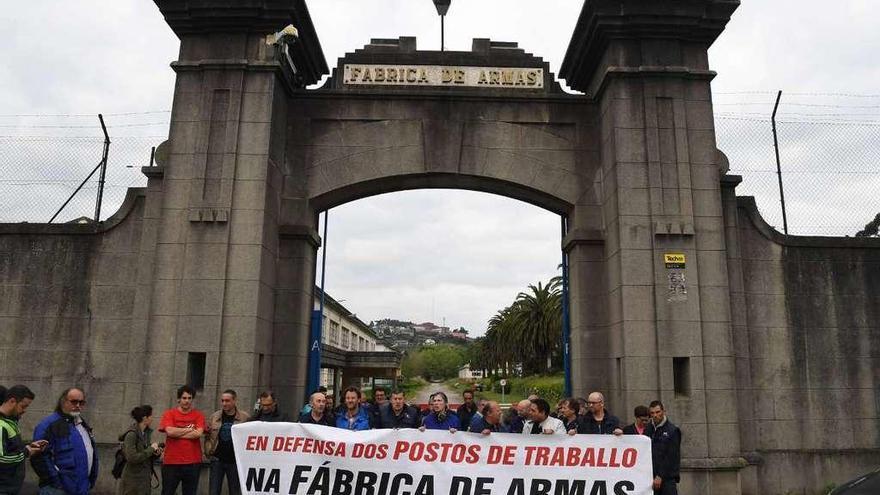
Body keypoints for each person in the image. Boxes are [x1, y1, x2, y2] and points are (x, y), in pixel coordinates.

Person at [31, 387, 98, 495]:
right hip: (57, 489)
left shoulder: (82, 424)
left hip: (82, 487)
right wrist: (56, 481)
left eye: (81, 402)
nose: (78, 405)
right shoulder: (49, 425)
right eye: (74, 402)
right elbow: (38, 456)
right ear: (63, 402)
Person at [159, 385, 205, 495]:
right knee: (167, 492)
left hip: (193, 462)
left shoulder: (198, 415)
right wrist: (189, 429)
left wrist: (177, 432)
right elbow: (170, 431)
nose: (187, 401)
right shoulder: (169, 414)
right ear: (178, 399)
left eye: (189, 398)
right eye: (184, 398)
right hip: (171, 462)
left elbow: (198, 433)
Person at [0, 385, 45, 495]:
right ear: (12, 401)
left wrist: (28, 446)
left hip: (11, 487)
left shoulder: (10, 421)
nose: (24, 411)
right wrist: (27, 451)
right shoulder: (1, 426)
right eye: (23, 406)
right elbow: (1, 459)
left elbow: (11, 448)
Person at [205, 390, 249, 495]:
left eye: (227, 401)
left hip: (235, 461)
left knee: (234, 491)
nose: (224, 403)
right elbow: (207, 436)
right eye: (222, 401)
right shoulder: (214, 417)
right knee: (214, 491)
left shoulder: (245, 417)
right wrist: (208, 452)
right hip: (217, 460)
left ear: (234, 400)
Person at [120, 405, 161, 495]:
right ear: (145, 418)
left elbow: (144, 455)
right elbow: (132, 457)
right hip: (133, 482)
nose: (152, 418)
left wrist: (155, 453)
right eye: (151, 416)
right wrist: (151, 449)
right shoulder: (131, 434)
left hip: (144, 480)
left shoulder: (145, 434)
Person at [647, 401, 681, 494]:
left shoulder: (672, 430)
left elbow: (671, 456)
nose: (655, 415)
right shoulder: (648, 428)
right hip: (651, 478)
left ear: (663, 411)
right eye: (652, 413)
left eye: (658, 412)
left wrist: (660, 476)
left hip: (667, 479)